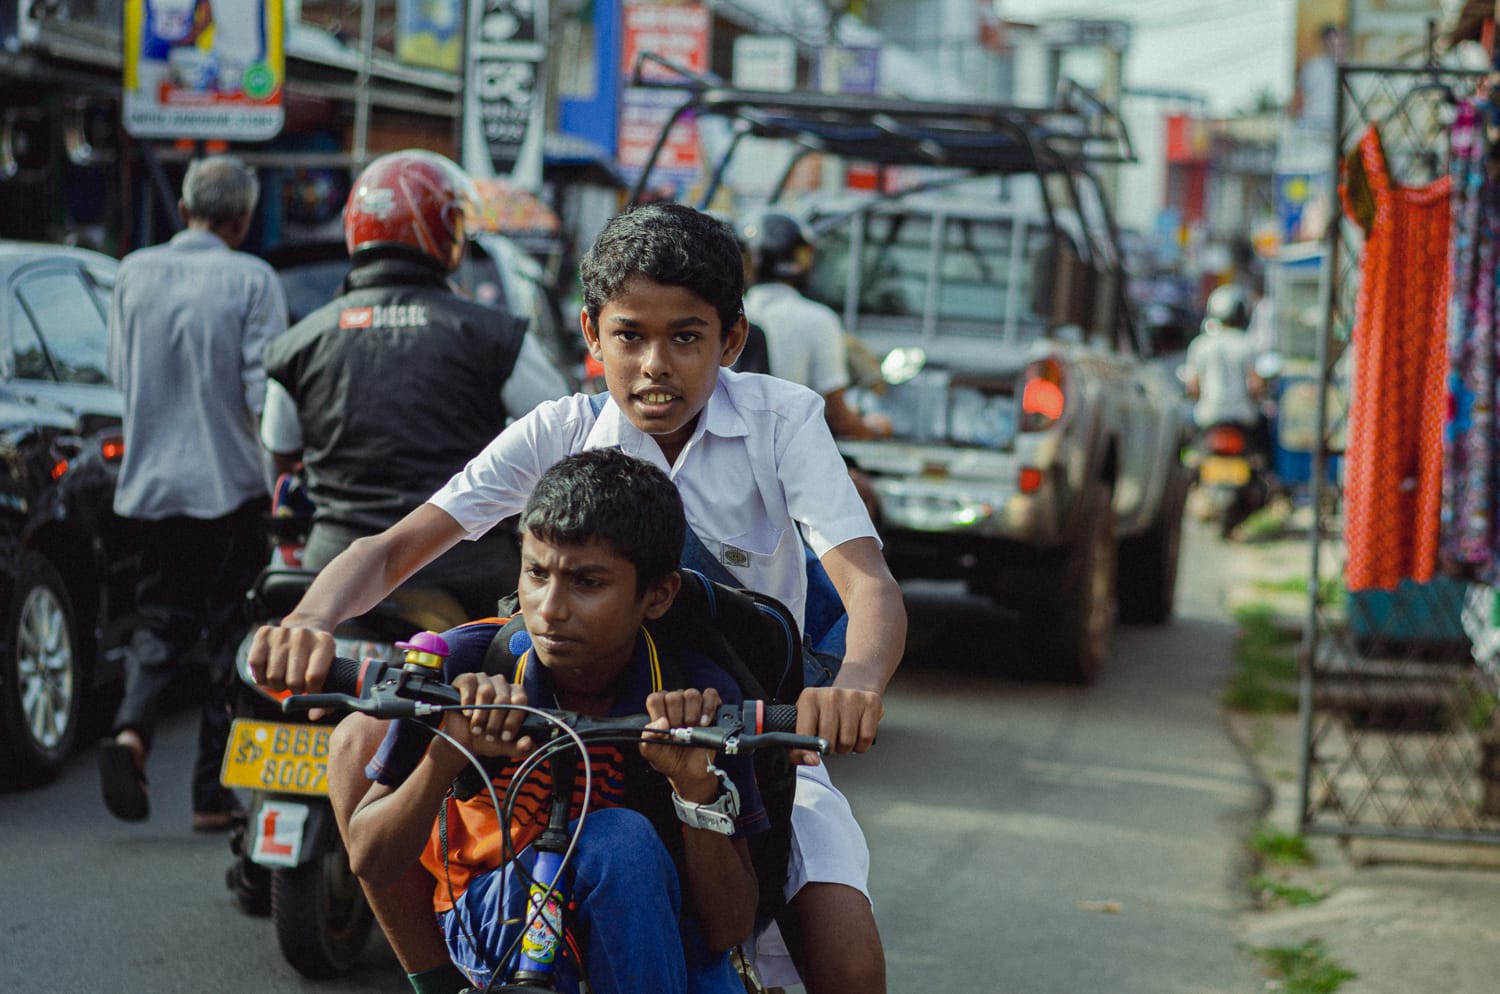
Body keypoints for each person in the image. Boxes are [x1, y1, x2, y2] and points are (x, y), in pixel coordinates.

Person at [251, 202, 903, 994]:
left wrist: (855, 684)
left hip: (738, 736)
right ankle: (433, 979)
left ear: (730, 341)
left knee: (849, 964)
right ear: (592, 336)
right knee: (361, 742)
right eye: (630, 336)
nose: (655, 365)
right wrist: (310, 621)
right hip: (572, 719)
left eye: (686, 337)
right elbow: (394, 547)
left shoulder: (782, 421)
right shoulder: (559, 428)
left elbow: (865, 580)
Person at [336, 448, 768, 993]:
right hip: (498, 910)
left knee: (628, 855)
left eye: (588, 583)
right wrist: (449, 751)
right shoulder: (466, 664)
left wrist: (694, 787)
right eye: (536, 573)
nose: (550, 608)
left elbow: (729, 926)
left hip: (657, 921)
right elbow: (371, 860)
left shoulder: (697, 695)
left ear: (656, 595)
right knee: (621, 841)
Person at [260, 149, 569, 618]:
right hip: (463, 570)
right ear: (448, 230)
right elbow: (563, 437)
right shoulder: (493, 334)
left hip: (336, 570)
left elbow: (280, 457)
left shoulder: (300, 341)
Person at [98, 154, 288, 830]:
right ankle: (211, 795)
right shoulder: (252, 279)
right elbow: (263, 393)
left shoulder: (133, 272)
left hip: (150, 486)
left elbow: (120, 371)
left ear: (184, 211)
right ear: (241, 220)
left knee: (158, 619)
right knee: (228, 635)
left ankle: (131, 733)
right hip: (231, 487)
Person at [738, 207, 890, 441]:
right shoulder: (819, 320)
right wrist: (874, 429)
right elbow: (836, 414)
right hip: (784, 458)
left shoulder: (727, 313)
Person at [1183, 283, 1264, 433]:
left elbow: (1192, 387)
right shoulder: (1246, 344)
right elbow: (1255, 386)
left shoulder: (1199, 344)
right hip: (1243, 417)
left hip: (1206, 417)